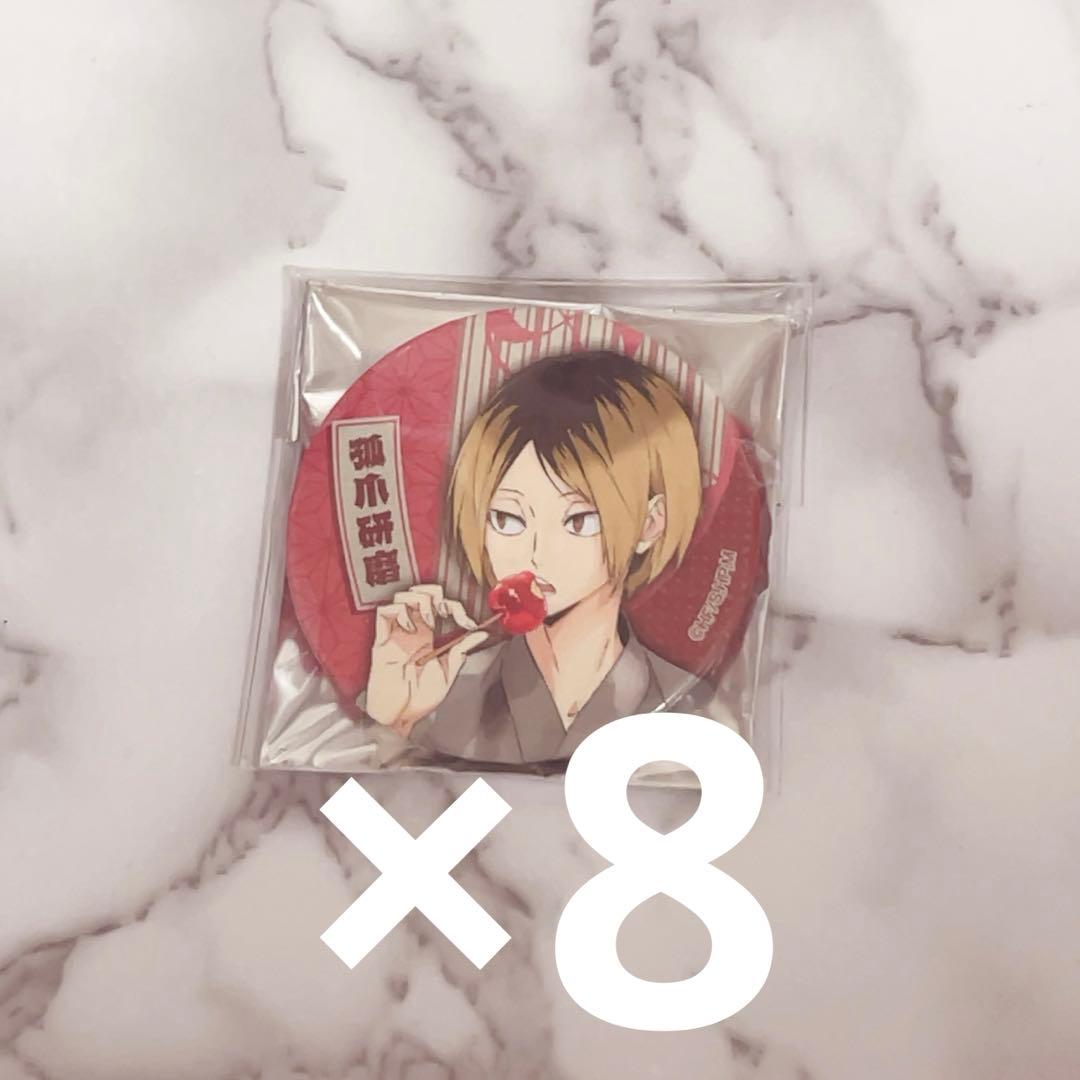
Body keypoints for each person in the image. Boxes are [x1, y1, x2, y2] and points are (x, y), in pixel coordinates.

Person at [361, 349, 704, 764]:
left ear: (649, 524)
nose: (535, 553)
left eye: (579, 521)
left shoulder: (691, 706)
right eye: (507, 519)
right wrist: (397, 720)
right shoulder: (435, 692)